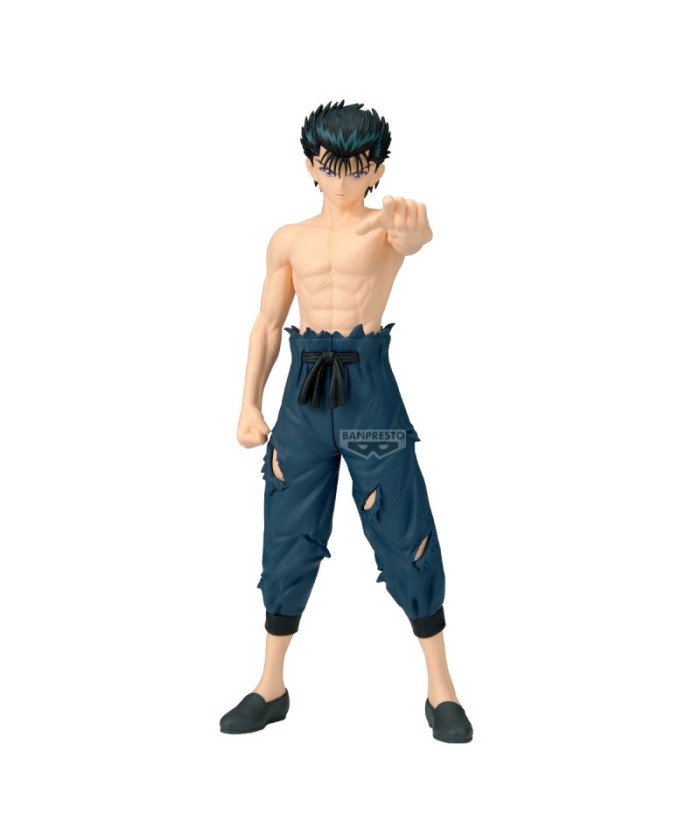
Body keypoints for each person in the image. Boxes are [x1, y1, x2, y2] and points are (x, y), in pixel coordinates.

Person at [219, 101, 473, 742]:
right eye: (330, 164)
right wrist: (248, 402)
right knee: (287, 528)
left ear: (377, 170)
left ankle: (441, 688)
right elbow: (267, 325)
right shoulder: (288, 239)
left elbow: (414, 239)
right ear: (311, 165)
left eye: (357, 166)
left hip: (368, 397)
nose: (342, 178)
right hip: (302, 399)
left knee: (403, 524)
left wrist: (416, 230)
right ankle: (270, 685)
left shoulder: (385, 228)